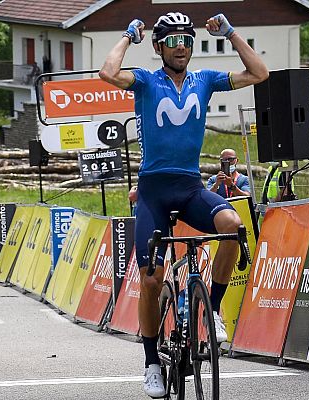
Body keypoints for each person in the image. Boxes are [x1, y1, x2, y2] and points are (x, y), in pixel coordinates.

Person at [99, 12, 268, 397]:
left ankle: (217, 309)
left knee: (232, 225)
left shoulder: (204, 80)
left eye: (187, 41)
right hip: (154, 192)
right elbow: (108, 73)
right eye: (173, 41)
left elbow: (259, 73)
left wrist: (229, 33)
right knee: (151, 279)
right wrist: (128, 36)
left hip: (191, 187)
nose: (181, 47)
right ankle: (151, 363)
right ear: (159, 47)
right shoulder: (145, 80)